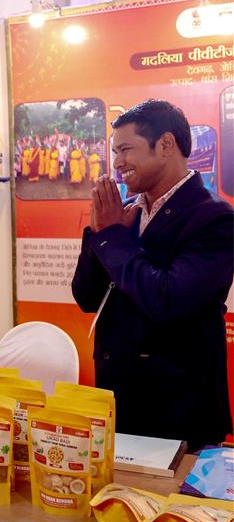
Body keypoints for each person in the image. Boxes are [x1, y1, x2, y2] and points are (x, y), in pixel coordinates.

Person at [71, 99, 233, 450]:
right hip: (120, 402)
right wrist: (98, 233)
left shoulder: (214, 217)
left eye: (126, 149)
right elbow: (86, 297)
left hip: (179, 411)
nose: (117, 163)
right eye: (115, 151)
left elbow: (167, 298)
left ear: (166, 145)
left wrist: (113, 237)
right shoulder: (128, 212)